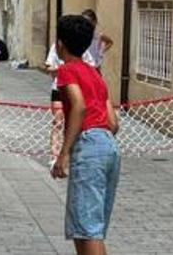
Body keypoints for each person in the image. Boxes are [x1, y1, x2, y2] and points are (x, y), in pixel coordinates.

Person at [50, 14, 121, 255]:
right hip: (108, 144)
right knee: (90, 226)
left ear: (60, 44)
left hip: (89, 143)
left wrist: (64, 153)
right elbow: (113, 122)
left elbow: (78, 105)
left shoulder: (67, 71)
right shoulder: (95, 74)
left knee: (87, 228)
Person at [46, 32, 97, 158]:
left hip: (77, 89)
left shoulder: (82, 52)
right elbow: (49, 68)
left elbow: (91, 66)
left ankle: (71, 152)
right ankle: (54, 155)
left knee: (75, 121)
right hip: (59, 88)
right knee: (58, 121)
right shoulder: (56, 48)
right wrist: (61, 70)